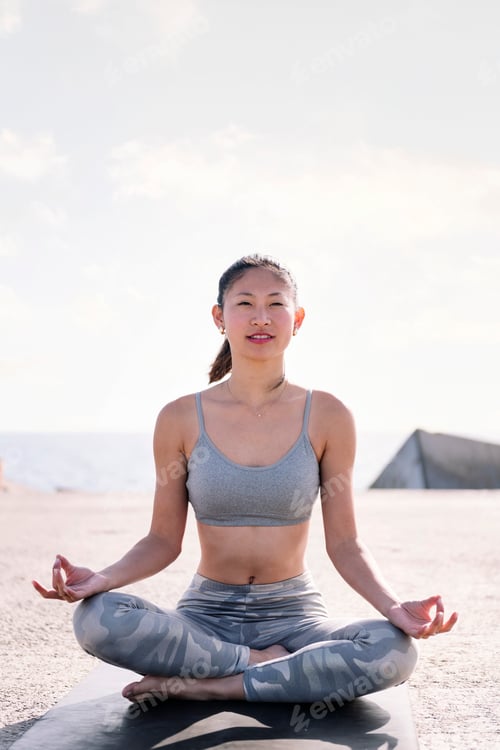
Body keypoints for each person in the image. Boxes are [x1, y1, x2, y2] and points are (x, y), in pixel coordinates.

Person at [33, 254, 457, 706]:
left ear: (297, 319)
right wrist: (102, 578)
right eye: (245, 303)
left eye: (276, 304)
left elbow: (346, 544)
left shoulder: (329, 415)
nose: (261, 317)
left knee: (392, 650)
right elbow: (162, 539)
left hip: (296, 619)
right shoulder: (179, 417)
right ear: (220, 317)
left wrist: (393, 608)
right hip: (205, 617)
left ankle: (214, 684)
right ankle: (258, 665)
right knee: (98, 619)